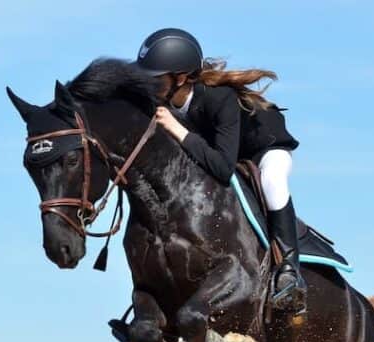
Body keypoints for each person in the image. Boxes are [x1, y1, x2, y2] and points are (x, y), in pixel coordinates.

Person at [134, 28, 348, 313]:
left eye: (155, 79)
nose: (149, 85)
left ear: (181, 77)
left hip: (262, 149)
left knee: (272, 180)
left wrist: (176, 129)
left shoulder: (218, 98)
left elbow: (222, 168)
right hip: (219, 151)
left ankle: (289, 270)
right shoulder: (164, 101)